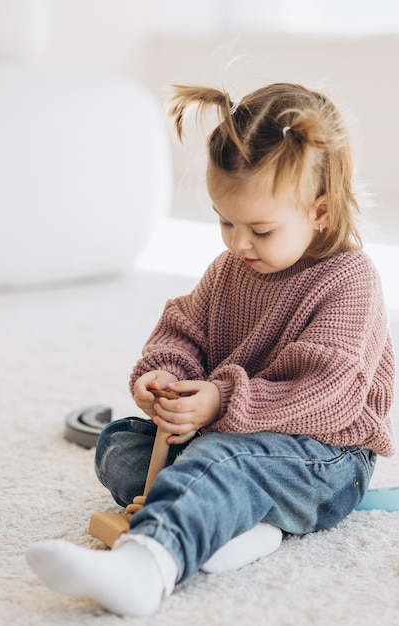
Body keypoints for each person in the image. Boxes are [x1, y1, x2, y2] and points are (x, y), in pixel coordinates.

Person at [26, 81, 396, 617]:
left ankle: (147, 566)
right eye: (225, 221)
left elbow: (329, 394)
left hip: (324, 457)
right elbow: (185, 331)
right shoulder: (231, 271)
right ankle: (240, 524)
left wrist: (222, 401)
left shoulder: (350, 281)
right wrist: (165, 379)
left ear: (319, 211)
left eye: (260, 229)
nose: (237, 242)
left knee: (219, 458)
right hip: (231, 436)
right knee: (122, 446)